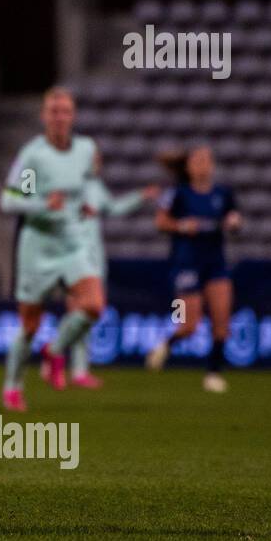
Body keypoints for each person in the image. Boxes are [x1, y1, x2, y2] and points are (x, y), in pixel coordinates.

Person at [0, 86, 103, 412]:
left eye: (65, 111)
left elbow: (86, 185)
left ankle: (55, 351)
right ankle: (13, 387)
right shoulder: (34, 156)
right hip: (38, 246)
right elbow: (10, 201)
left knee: (94, 305)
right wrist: (44, 203)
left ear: (73, 116)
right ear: (44, 116)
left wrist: (87, 203)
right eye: (53, 111)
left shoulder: (85, 150)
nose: (59, 117)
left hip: (71, 243)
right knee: (30, 325)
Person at [145, 146, 242, 392]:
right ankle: (166, 345)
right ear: (188, 167)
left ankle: (213, 372)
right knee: (189, 325)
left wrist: (234, 222)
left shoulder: (223, 193)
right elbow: (161, 222)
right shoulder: (178, 194)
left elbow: (234, 219)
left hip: (216, 263)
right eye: (197, 161)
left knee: (222, 319)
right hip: (186, 263)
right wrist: (182, 226)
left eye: (206, 161)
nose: (202, 165)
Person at [62, 159, 160, 388]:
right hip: (73, 257)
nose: (96, 162)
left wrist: (140, 197)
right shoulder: (67, 185)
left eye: (97, 159)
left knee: (88, 315)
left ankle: (74, 366)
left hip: (95, 258)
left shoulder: (95, 187)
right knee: (80, 311)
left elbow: (114, 208)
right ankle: (64, 360)